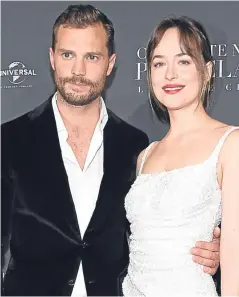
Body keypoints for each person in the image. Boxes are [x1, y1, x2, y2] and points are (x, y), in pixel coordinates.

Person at [1, 5, 220, 296]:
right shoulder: (10, 139)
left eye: (92, 57)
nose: (78, 71)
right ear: (52, 58)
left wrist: (209, 252)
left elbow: (149, 233)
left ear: (110, 63)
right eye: (68, 55)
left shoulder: (135, 145)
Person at [122, 15, 239, 296]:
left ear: (208, 70)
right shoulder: (145, 155)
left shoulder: (230, 144)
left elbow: (235, 263)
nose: (170, 74)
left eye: (184, 61)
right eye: (159, 63)